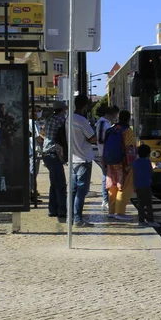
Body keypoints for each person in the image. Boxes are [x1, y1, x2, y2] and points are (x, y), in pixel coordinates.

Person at [66, 95, 97, 227]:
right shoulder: (82, 120)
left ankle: (70, 217)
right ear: (85, 106)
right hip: (84, 158)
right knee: (81, 191)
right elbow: (92, 138)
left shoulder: (69, 118)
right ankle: (78, 219)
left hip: (73, 159)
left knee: (72, 190)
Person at [105, 110, 137, 221]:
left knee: (112, 187)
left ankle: (111, 211)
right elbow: (130, 148)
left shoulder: (111, 130)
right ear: (128, 119)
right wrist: (131, 163)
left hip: (110, 163)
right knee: (123, 187)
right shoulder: (127, 131)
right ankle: (120, 212)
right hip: (123, 163)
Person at [42, 100, 68, 218]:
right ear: (63, 109)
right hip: (54, 153)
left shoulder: (50, 119)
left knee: (54, 183)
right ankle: (62, 210)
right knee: (61, 184)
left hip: (46, 153)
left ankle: (53, 209)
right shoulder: (60, 119)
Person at [94, 105, 119, 210]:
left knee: (107, 176)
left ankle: (107, 199)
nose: (116, 117)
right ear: (111, 114)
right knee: (106, 177)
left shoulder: (102, 122)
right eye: (115, 114)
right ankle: (105, 200)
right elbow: (101, 140)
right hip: (105, 153)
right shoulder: (105, 124)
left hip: (104, 153)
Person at [132, 144, 161, 228]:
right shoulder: (148, 162)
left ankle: (141, 221)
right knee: (148, 204)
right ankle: (151, 220)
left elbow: (133, 174)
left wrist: (133, 185)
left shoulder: (135, 162)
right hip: (146, 185)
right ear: (148, 154)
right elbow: (151, 172)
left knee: (140, 203)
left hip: (137, 185)